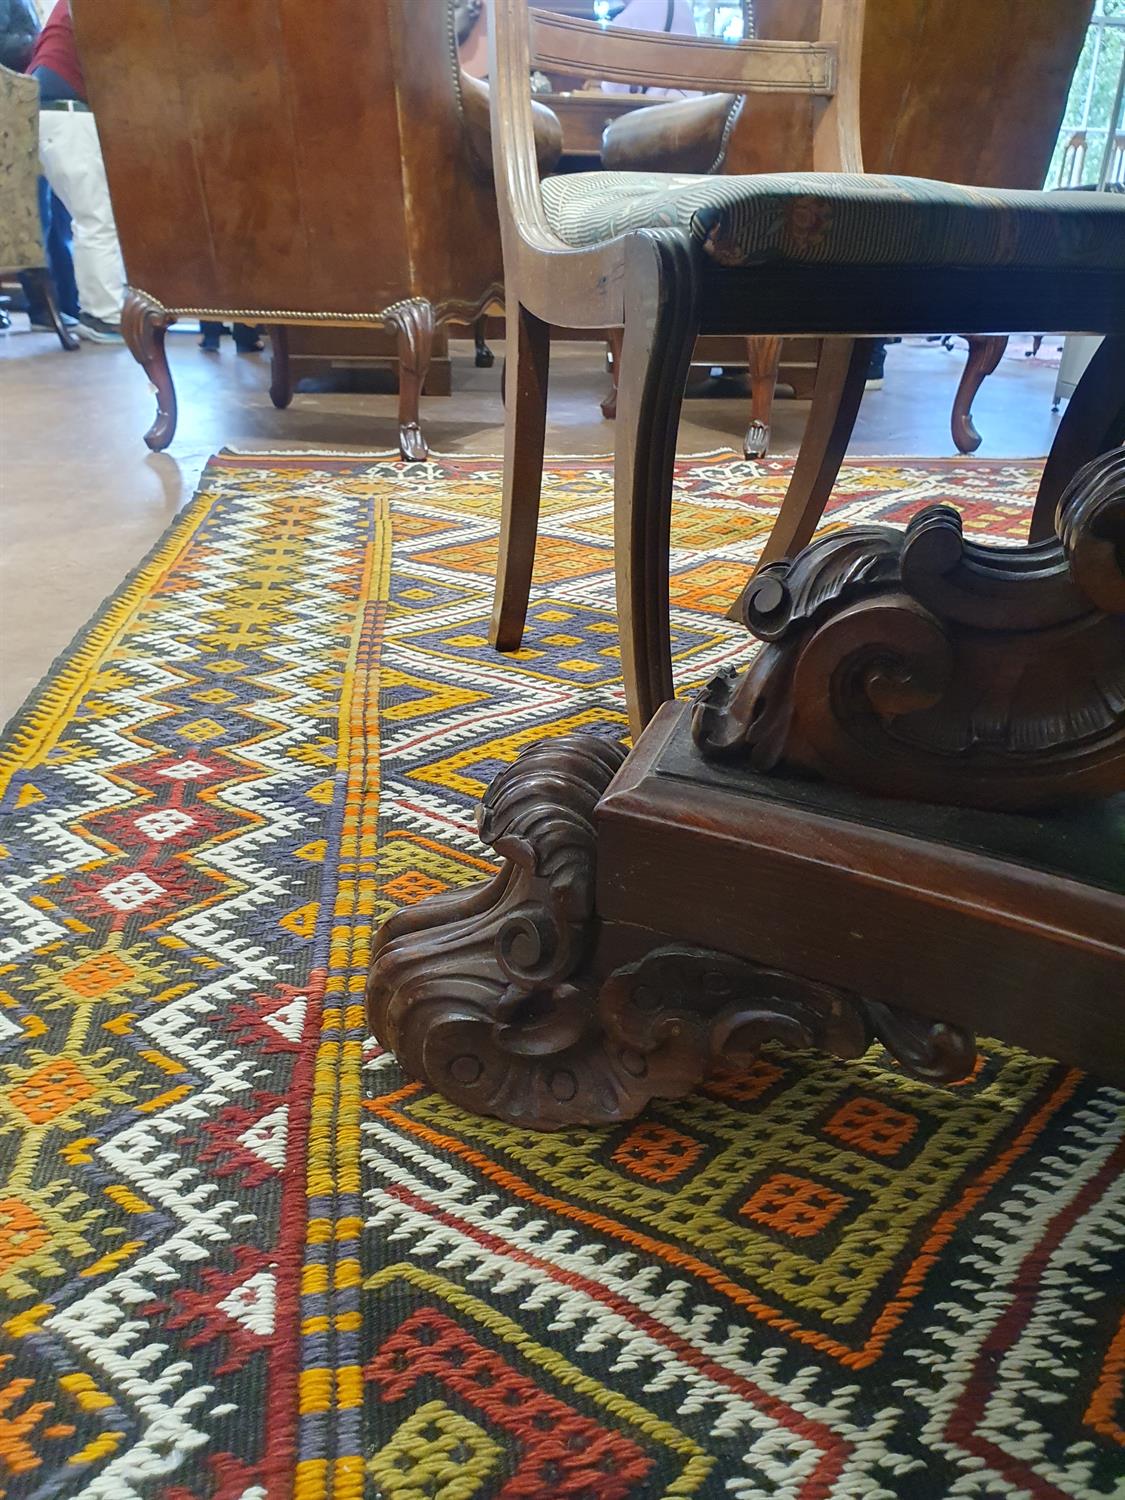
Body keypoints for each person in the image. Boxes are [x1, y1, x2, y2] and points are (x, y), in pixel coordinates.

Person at [26, 1, 126, 342]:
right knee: (96, 218)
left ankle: (99, 310)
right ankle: (104, 316)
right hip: (66, 111)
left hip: (45, 108)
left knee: (88, 218)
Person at [603, 0, 700, 100]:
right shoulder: (682, 5)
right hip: (693, 105)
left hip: (652, 109)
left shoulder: (627, 19)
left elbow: (615, 91)